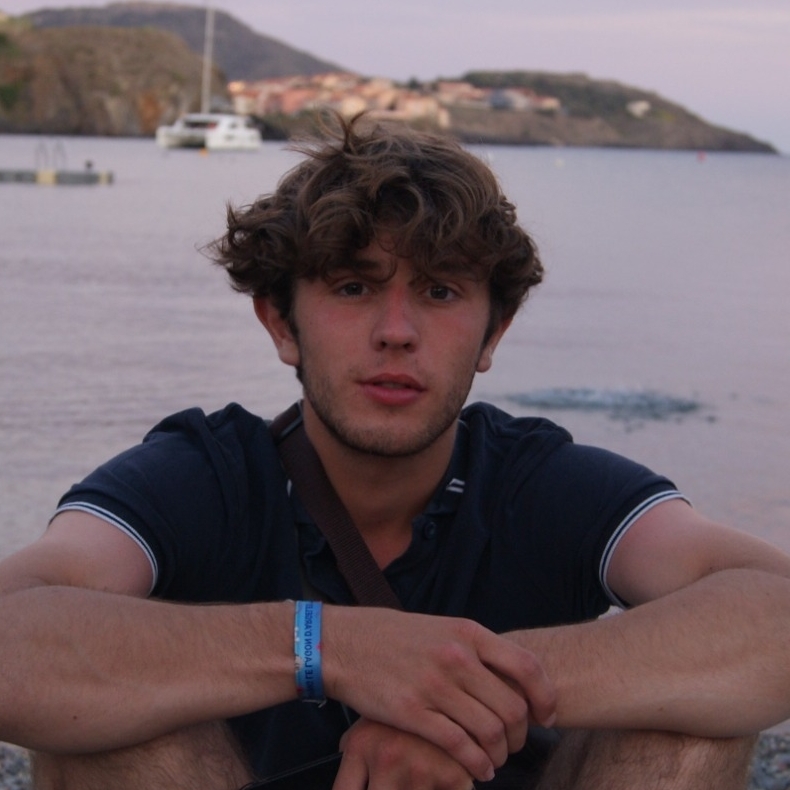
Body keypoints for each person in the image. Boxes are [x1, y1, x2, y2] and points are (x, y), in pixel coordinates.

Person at [1, 114, 789, 790]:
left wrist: (462, 685)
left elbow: (773, 605)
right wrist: (324, 647)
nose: (397, 331)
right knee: (103, 722)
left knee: (689, 718)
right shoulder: (206, 478)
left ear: (493, 332)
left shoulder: (537, 482)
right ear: (280, 322)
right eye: (353, 287)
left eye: (440, 291)